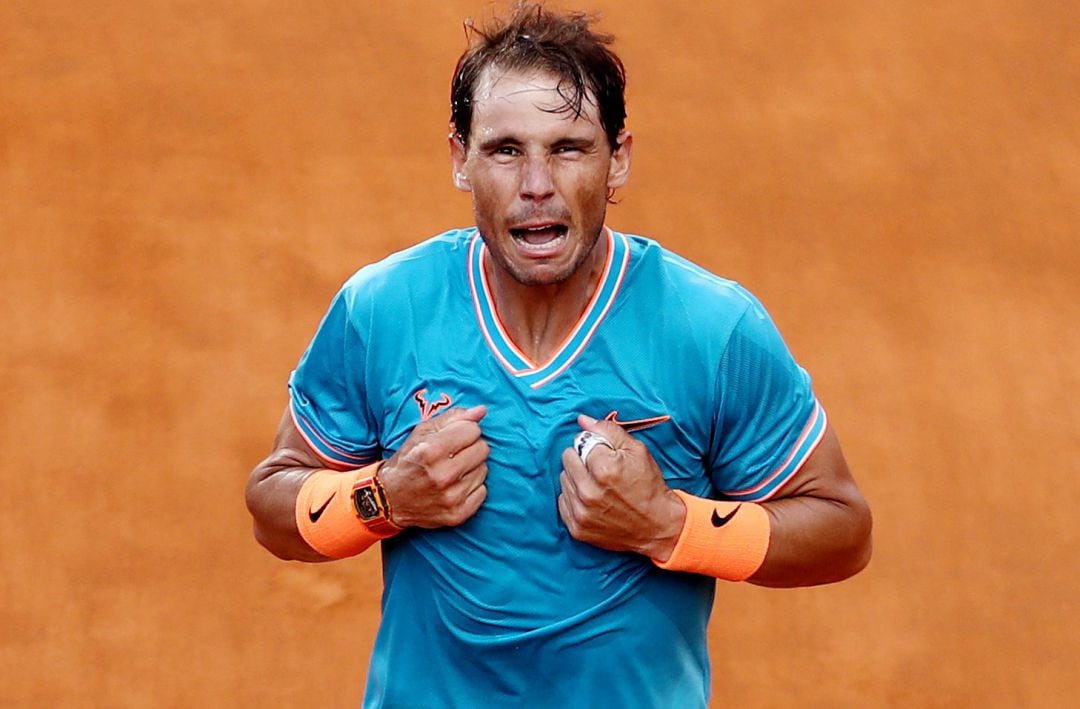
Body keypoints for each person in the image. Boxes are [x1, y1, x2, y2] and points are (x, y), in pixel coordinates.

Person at [246, 3, 872, 707]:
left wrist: (670, 524)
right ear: (461, 160)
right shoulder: (383, 309)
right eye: (505, 149)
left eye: (569, 147)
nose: (536, 184)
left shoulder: (711, 327)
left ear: (618, 158)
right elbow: (273, 504)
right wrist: (384, 497)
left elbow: (841, 531)